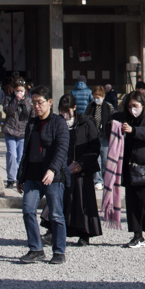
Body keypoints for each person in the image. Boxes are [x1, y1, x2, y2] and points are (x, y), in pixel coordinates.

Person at [16, 86, 69, 264]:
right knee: (28, 210)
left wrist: (53, 169)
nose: (37, 106)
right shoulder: (31, 124)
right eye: (34, 103)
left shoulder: (58, 122)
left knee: (55, 214)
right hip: (32, 175)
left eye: (40, 102)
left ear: (50, 102)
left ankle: (59, 251)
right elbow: (26, 151)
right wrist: (21, 176)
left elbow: (62, 149)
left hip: (53, 176)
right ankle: (36, 249)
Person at [109, 90, 145, 249]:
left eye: (136, 105)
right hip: (130, 165)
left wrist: (134, 131)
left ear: (143, 105)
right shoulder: (125, 118)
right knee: (132, 203)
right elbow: (110, 122)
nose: (133, 109)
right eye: (130, 106)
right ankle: (137, 235)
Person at [56, 94, 103, 246]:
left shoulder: (86, 122)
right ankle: (53, 231)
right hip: (63, 167)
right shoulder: (58, 123)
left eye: (67, 110)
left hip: (82, 168)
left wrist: (81, 163)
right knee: (58, 200)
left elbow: (94, 146)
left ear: (74, 108)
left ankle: (84, 233)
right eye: (61, 111)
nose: (64, 114)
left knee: (83, 202)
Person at [1, 78, 32, 188]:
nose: (19, 93)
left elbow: (29, 113)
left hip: (22, 132)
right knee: (12, 155)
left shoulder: (28, 100)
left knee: (20, 156)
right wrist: (16, 101)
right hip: (10, 130)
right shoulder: (9, 99)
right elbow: (7, 111)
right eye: (17, 90)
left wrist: (23, 101)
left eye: (21, 90)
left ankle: (19, 177)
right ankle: (11, 178)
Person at [84, 85, 113, 190]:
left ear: (103, 96)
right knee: (97, 159)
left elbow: (113, 118)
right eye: (95, 97)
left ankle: (107, 179)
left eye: (99, 97)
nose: (97, 99)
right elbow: (86, 119)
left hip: (105, 135)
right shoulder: (90, 107)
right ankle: (98, 180)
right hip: (93, 136)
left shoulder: (109, 106)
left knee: (105, 159)